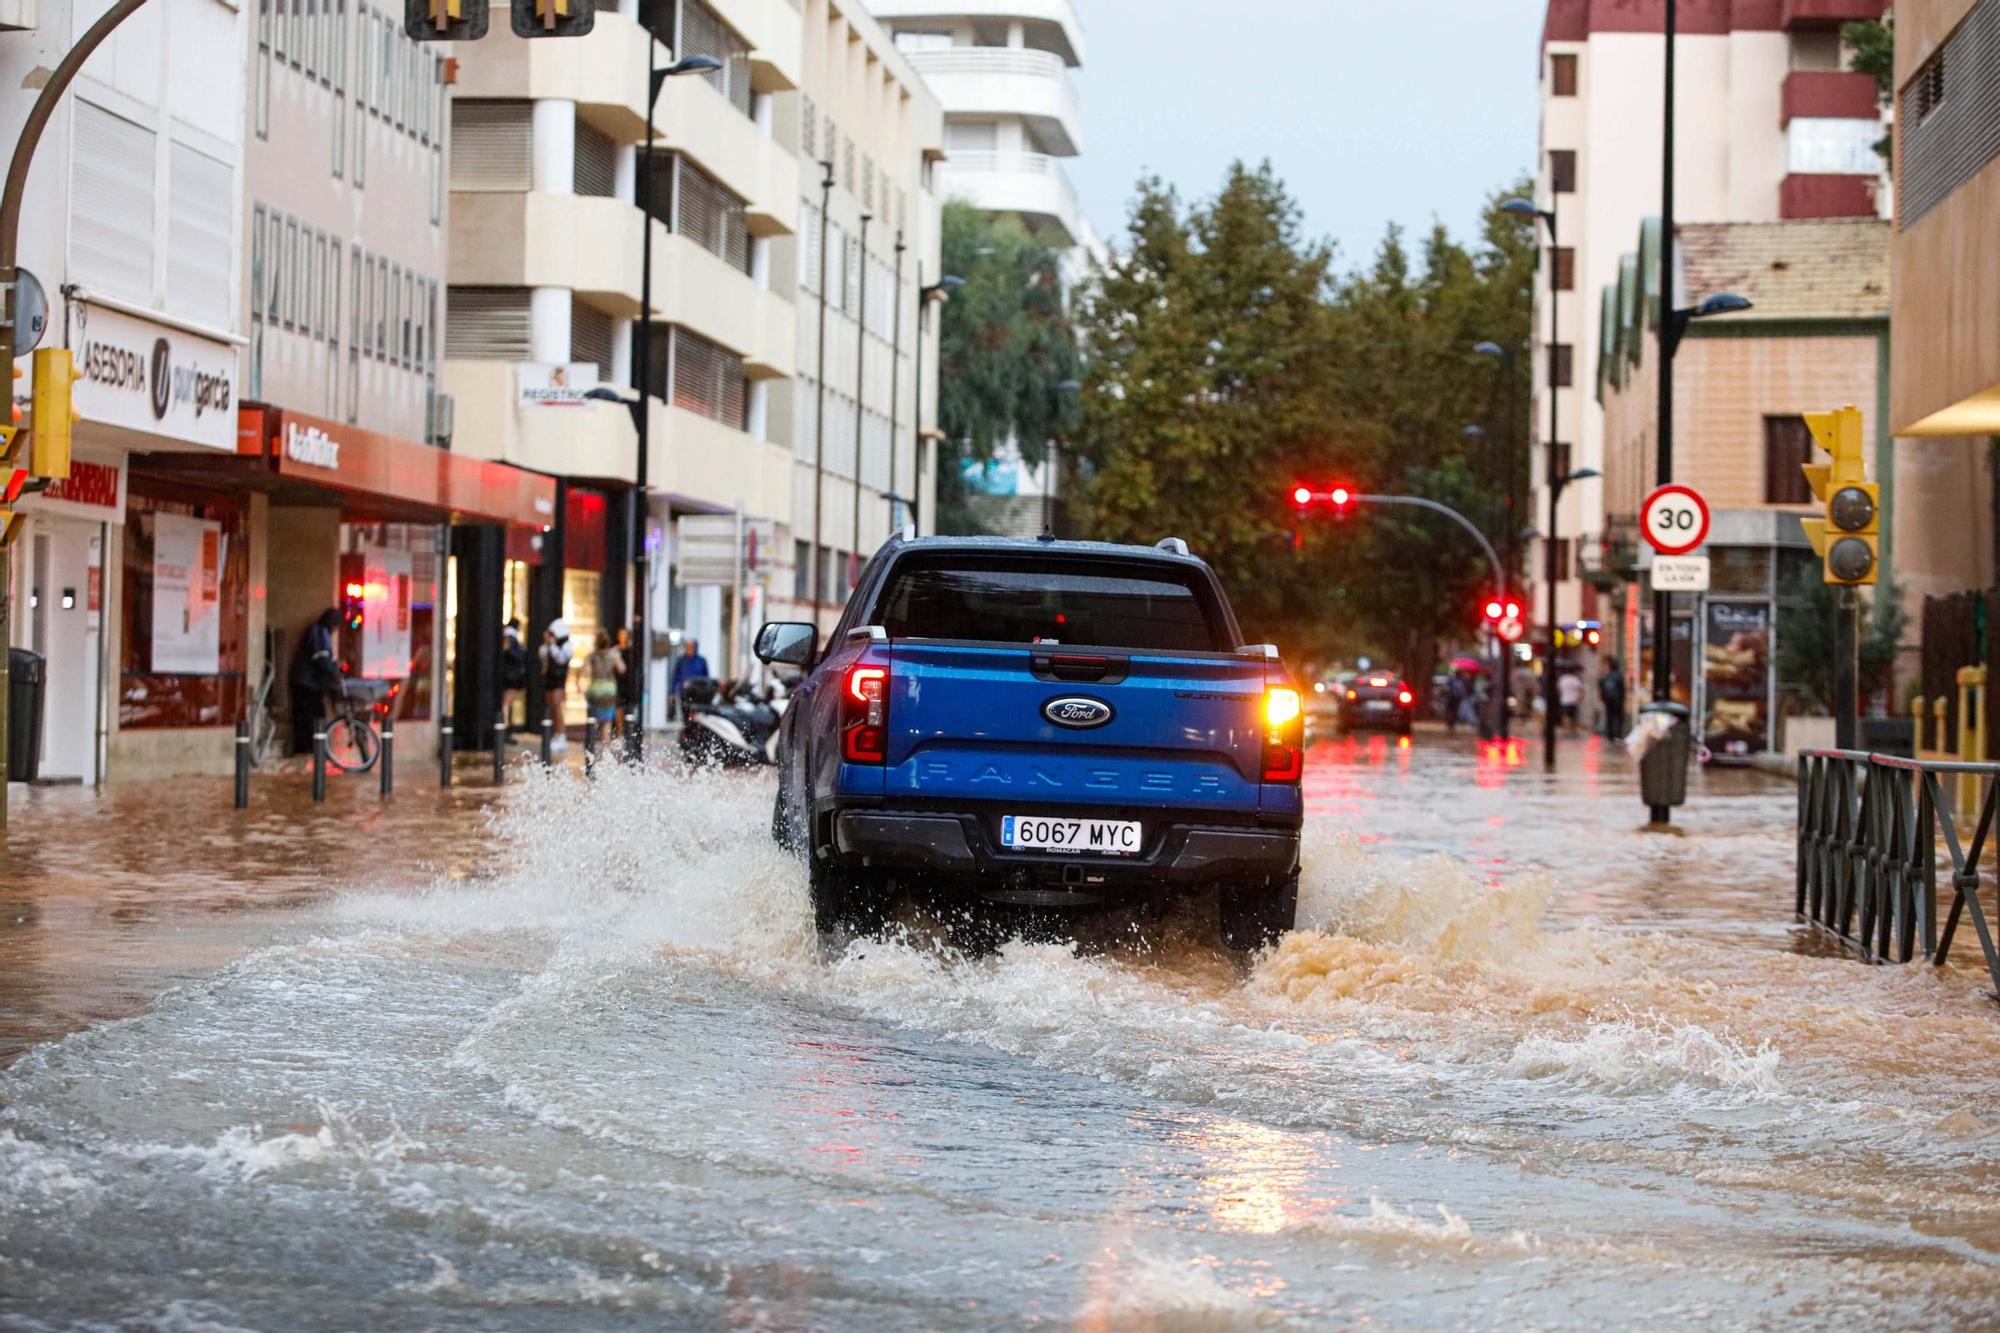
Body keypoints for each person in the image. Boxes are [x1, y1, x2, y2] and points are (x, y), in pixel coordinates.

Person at [287, 608, 343, 754]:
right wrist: (333, 672)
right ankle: (310, 748)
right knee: (314, 716)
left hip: (306, 681)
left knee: (307, 716)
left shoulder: (318, 631)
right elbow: (321, 658)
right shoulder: (320, 632)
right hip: (307, 683)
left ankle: (307, 747)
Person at [583, 629, 625, 757]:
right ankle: (605, 748)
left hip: (595, 688)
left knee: (593, 720)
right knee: (607, 722)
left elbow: (585, 672)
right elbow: (622, 668)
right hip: (609, 689)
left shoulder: (592, 656)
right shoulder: (613, 654)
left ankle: (592, 747)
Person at [540, 619, 574, 753]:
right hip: (549, 679)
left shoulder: (566, 645)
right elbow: (542, 654)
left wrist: (553, 646)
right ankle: (556, 734)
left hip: (558, 680)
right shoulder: (547, 646)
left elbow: (561, 659)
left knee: (557, 707)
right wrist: (547, 643)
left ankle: (561, 735)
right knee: (552, 708)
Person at [499, 619, 529, 738]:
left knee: (506, 703)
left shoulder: (510, 638)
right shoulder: (512, 638)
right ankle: (505, 729)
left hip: (511, 677)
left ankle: (505, 729)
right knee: (506, 703)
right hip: (512, 677)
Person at [612, 627, 641, 740]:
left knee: (629, 712)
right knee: (618, 710)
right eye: (621, 635)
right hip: (618, 684)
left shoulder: (632, 651)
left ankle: (629, 735)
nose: (623, 637)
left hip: (630, 685)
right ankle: (620, 735)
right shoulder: (615, 651)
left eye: (625, 635)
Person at [671, 638, 710, 715]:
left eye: (691, 647)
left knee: (698, 714)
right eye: (687, 647)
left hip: (699, 694)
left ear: (695, 648)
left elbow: (706, 677)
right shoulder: (681, 661)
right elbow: (676, 677)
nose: (688, 649)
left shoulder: (701, 661)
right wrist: (673, 692)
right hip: (685, 693)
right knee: (686, 713)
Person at [1599, 655, 1628, 741]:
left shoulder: (1607, 677)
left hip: (1609, 701)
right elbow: (1622, 689)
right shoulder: (1618, 675)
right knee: (1617, 719)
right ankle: (1616, 735)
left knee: (1610, 718)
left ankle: (1611, 736)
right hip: (1617, 701)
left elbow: (1603, 689)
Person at [1557, 668, 1585, 735]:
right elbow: (1581, 690)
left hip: (1564, 700)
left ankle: (1566, 731)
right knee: (1573, 717)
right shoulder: (1575, 679)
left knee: (1565, 717)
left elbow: (1559, 689)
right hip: (1573, 700)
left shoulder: (1562, 679)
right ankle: (1573, 731)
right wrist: (1580, 698)